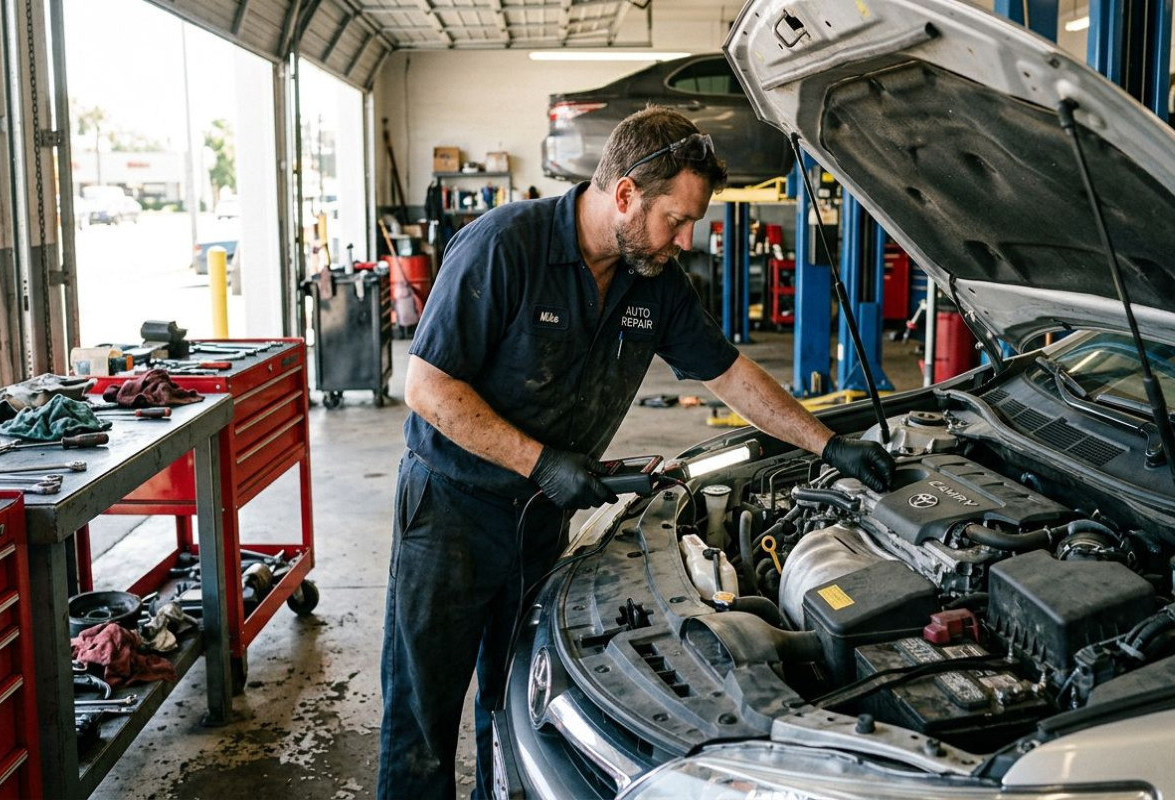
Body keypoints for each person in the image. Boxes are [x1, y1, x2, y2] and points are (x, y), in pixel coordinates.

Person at [378, 107, 896, 800]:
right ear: (624, 195)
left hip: (536, 521)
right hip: (450, 515)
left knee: (508, 702)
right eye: (675, 220)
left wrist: (828, 443)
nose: (685, 240)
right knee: (421, 717)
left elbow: (730, 375)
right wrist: (541, 461)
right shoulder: (504, 247)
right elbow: (428, 387)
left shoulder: (652, 282)